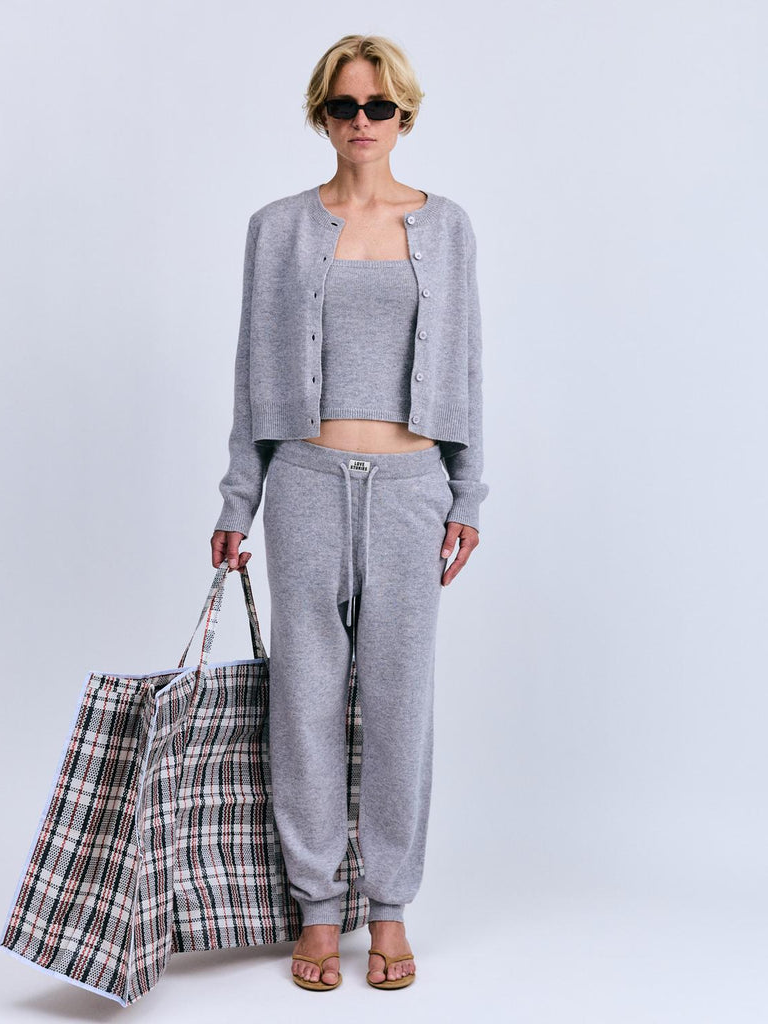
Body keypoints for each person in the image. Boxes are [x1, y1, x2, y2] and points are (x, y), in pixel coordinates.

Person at [210, 34, 488, 991]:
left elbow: (466, 366)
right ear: (320, 114)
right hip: (304, 486)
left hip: (412, 492)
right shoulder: (276, 228)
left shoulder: (446, 227)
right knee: (305, 706)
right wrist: (238, 498)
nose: (360, 122)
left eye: (378, 106)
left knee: (402, 707)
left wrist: (468, 491)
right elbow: (252, 372)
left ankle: (392, 907)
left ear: (403, 115)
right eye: (343, 105)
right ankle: (319, 911)